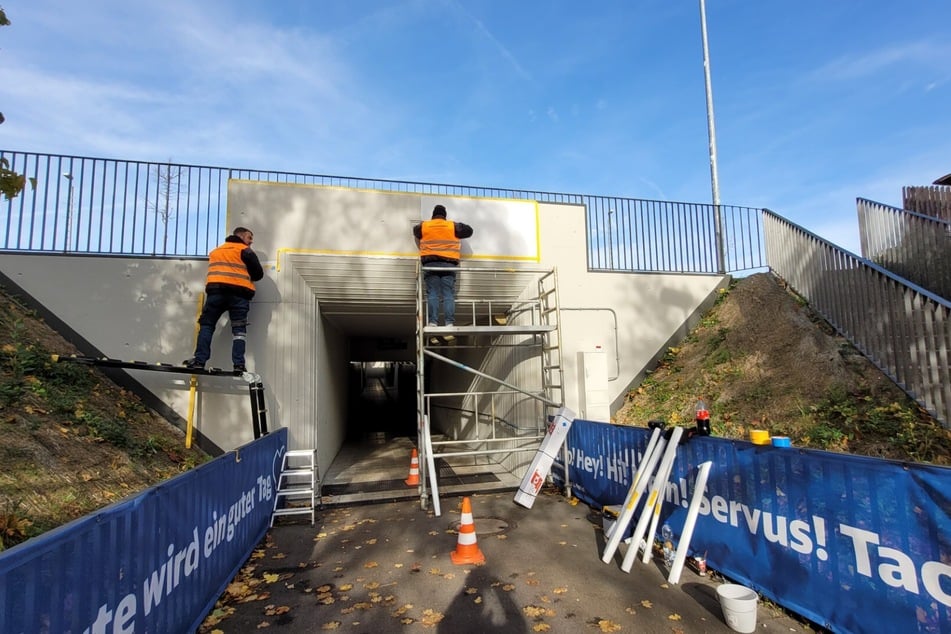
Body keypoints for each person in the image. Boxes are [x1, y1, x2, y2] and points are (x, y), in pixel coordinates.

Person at [184, 227, 264, 373]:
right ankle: (239, 364)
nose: (251, 242)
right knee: (239, 331)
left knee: (207, 326)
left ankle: (199, 361)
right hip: (239, 296)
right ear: (240, 236)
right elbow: (258, 274)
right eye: (249, 238)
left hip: (216, 294)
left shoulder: (215, 252)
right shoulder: (245, 251)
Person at [413, 204, 473, 342]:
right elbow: (469, 231)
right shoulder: (452, 226)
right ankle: (449, 323)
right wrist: (456, 225)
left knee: (432, 293)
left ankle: (433, 323)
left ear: (433, 215)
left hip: (430, 263)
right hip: (448, 263)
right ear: (444, 215)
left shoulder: (425, 225)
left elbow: (415, 231)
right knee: (448, 293)